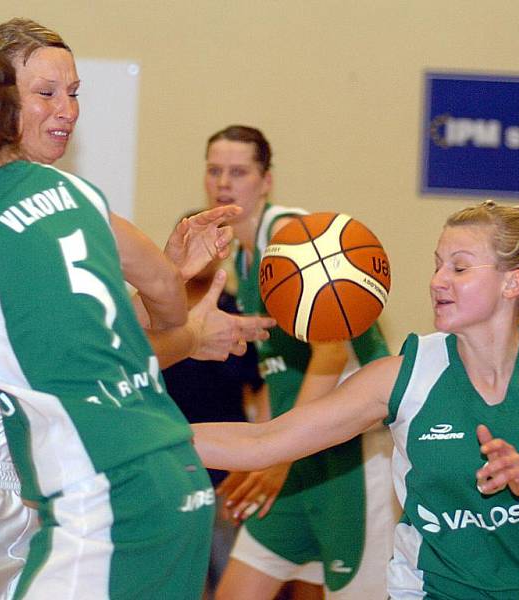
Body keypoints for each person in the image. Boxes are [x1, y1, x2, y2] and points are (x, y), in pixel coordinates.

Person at [0, 19, 273, 600]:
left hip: (39, 480)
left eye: (74, 93)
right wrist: (185, 328)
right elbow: (38, 373)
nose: (67, 110)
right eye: (46, 93)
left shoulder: (56, 196)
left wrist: (175, 284)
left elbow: (80, 342)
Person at [193, 198, 519, 599]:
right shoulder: (406, 375)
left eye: (459, 267)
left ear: (511, 282)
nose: (437, 280)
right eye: (437, 264)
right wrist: (145, 435)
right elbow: (263, 442)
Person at [204, 125, 396, 600]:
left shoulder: (292, 237)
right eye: (214, 171)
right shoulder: (244, 261)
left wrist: (275, 451)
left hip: (349, 455)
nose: (223, 183)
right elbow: (276, 373)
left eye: (238, 171)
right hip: (296, 458)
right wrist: (259, 447)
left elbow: (332, 349)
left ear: (266, 180)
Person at [162, 232, 266, 597]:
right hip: (167, 469)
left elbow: (258, 384)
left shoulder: (235, 312)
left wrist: (260, 458)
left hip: (224, 472)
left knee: (229, 579)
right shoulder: (156, 315)